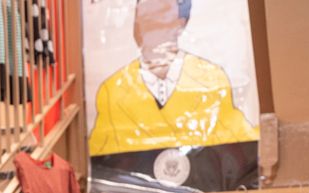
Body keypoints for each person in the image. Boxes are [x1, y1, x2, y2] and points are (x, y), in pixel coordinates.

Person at [88, 0, 258, 157]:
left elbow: (240, 136)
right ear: (136, 25)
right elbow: (99, 153)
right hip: (136, 188)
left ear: (181, 23)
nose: (153, 27)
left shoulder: (211, 79)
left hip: (206, 183)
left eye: (162, 18)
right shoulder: (112, 89)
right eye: (146, 19)